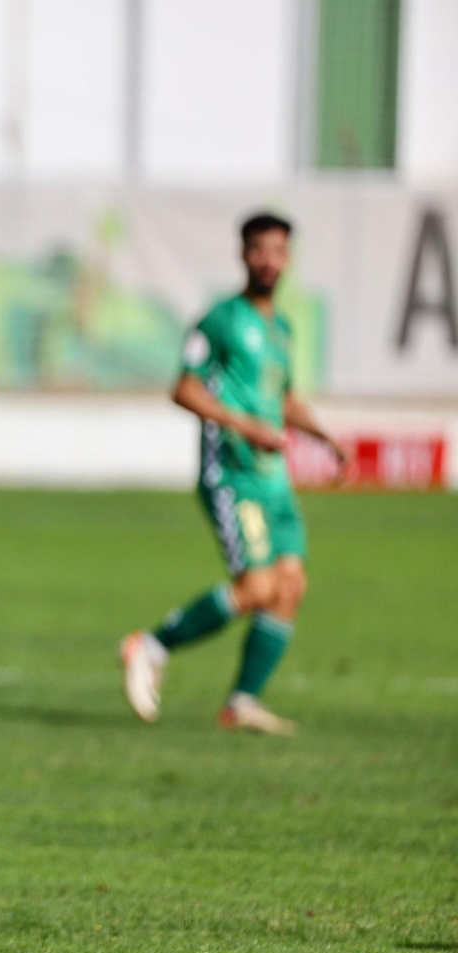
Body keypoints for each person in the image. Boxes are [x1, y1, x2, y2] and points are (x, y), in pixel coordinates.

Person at [119, 212, 345, 736]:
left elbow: (281, 397)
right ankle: (149, 646)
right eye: (260, 249)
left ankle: (241, 702)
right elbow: (185, 388)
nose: (270, 260)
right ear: (244, 255)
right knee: (259, 585)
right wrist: (243, 424)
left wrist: (326, 437)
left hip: (274, 478)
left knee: (290, 586)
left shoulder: (281, 329)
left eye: (279, 251)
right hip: (233, 474)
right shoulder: (219, 320)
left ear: (289, 258)